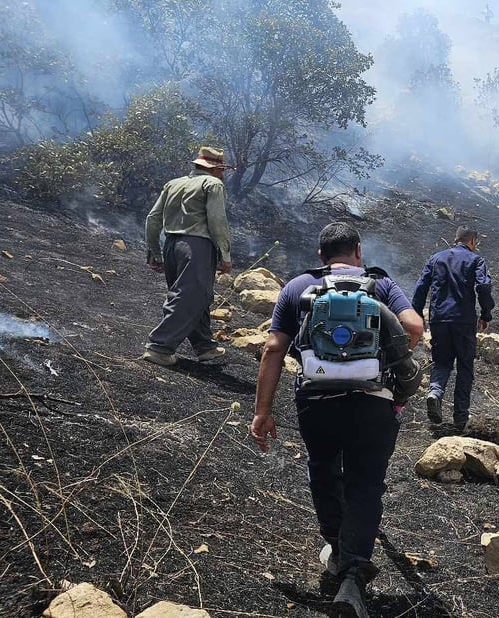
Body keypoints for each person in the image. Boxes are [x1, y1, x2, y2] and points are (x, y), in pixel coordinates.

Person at [250, 222, 423, 618]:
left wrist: (263, 411)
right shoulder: (381, 285)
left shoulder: (297, 287)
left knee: (323, 469)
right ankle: (352, 576)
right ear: (358, 252)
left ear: (321, 256)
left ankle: (335, 545)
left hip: (316, 399)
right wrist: (390, 359)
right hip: (373, 402)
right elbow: (414, 326)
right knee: (365, 483)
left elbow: (273, 348)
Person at [141, 146, 233, 366]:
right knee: (189, 296)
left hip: (171, 246)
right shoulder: (213, 184)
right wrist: (225, 253)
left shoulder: (173, 184)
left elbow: (153, 218)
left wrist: (154, 250)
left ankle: (205, 346)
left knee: (196, 295)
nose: (223, 174)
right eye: (222, 169)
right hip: (197, 247)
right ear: (215, 168)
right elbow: (217, 221)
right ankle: (160, 347)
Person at [411, 225, 495, 431]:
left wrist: (415, 314)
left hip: (439, 319)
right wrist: (486, 313)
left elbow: (421, 287)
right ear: (473, 241)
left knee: (441, 362)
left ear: (455, 239)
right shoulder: (476, 260)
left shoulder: (436, 258)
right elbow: (484, 286)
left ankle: (435, 392)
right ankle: (460, 417)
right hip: (464, 321)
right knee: (465, 367)